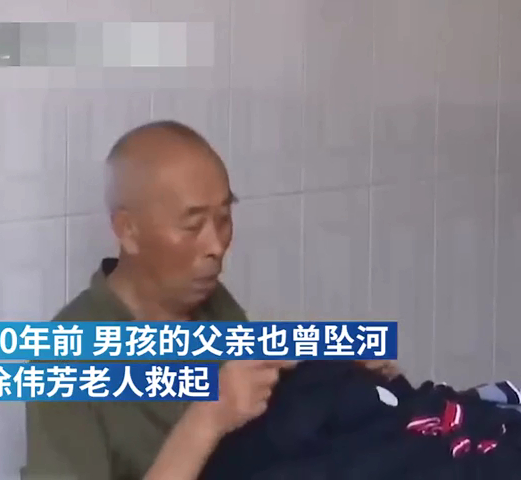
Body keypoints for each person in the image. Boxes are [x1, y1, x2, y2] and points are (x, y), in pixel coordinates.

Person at [23, 120, 399, 480]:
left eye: (223, 218)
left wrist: (333, 368)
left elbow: (262, 428)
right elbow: (220, 414)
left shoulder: (211, 304)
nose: (216, 246)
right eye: (192, 225)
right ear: (128, 230)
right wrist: (205, 421)